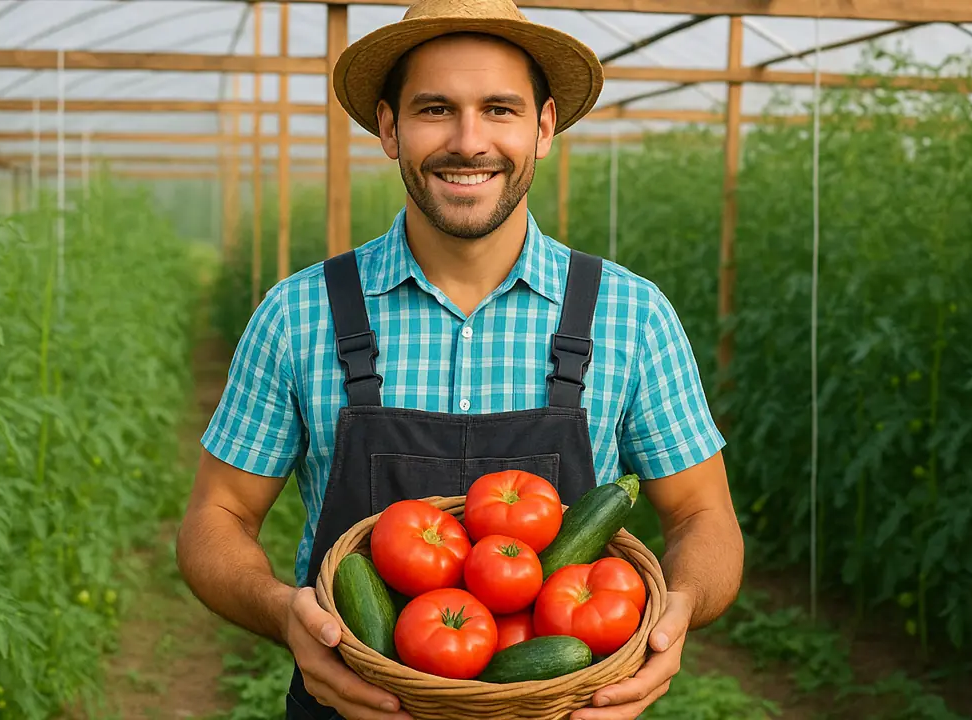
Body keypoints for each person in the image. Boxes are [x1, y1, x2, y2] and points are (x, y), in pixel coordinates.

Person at [175, 0, 744, 718]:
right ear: (390, 128)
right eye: (436, 109)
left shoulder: (629, 316)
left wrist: (676, 612)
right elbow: (214, 518)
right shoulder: (299, 315)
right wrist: (284, 611)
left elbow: (703, 516)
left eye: (500, 110)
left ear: (543, 128)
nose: (468, 141)